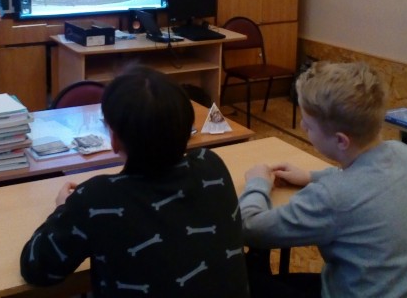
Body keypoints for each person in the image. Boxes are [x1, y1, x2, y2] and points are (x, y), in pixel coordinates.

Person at [20, 65, 250, 297]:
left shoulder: (96, 198)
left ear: (114, 140)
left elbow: (36, 268)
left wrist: (62, 209)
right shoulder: (212, 165)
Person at [239, 61, 407, 298]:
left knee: (246, 282)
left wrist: (257, 183)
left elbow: (250, 228)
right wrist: (310, 176)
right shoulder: (404, 154)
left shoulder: (331, 197)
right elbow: (363, 179)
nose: (302, 126)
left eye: (308, 125)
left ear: (340, 141)